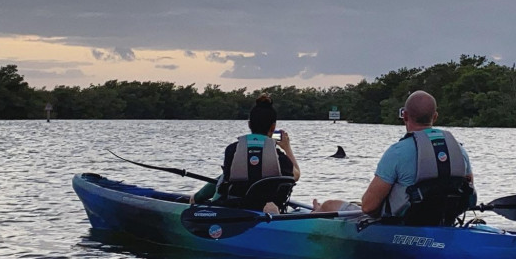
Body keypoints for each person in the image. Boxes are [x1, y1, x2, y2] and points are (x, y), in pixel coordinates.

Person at [313, 90, 474, 222]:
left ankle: (314, 215)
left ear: (404, 116)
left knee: (329, 205)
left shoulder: (397, 152)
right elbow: (469, 195)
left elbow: (368, 207)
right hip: (444, 221)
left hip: (399, 225)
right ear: (435, 116)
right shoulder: (459, 150)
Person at [191, 94, 300, 212]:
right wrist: (287, 147)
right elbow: (296, 175)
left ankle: (197, 199)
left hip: (234, 208)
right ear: (273, 128)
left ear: (249, 124)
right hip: (265, 208)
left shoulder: (232, 150)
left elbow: (226, 179)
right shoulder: (279, 157)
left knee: (222, 178)